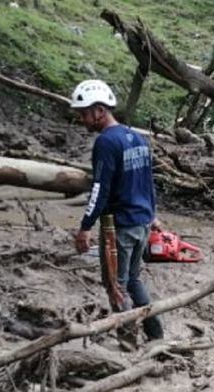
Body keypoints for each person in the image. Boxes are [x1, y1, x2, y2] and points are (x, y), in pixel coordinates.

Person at [69, 79, 164, 344]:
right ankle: (156, 334)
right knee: (132, 279)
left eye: (84, 113)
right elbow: (147, 181)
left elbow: (100, 188)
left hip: (120, 227)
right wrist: (152, 215)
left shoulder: (106, 143)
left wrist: (85, 227)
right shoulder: (138, 138)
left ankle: (127, 340)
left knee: (115, 285)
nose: (82, 119)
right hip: (142, 222)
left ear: (99, 110)